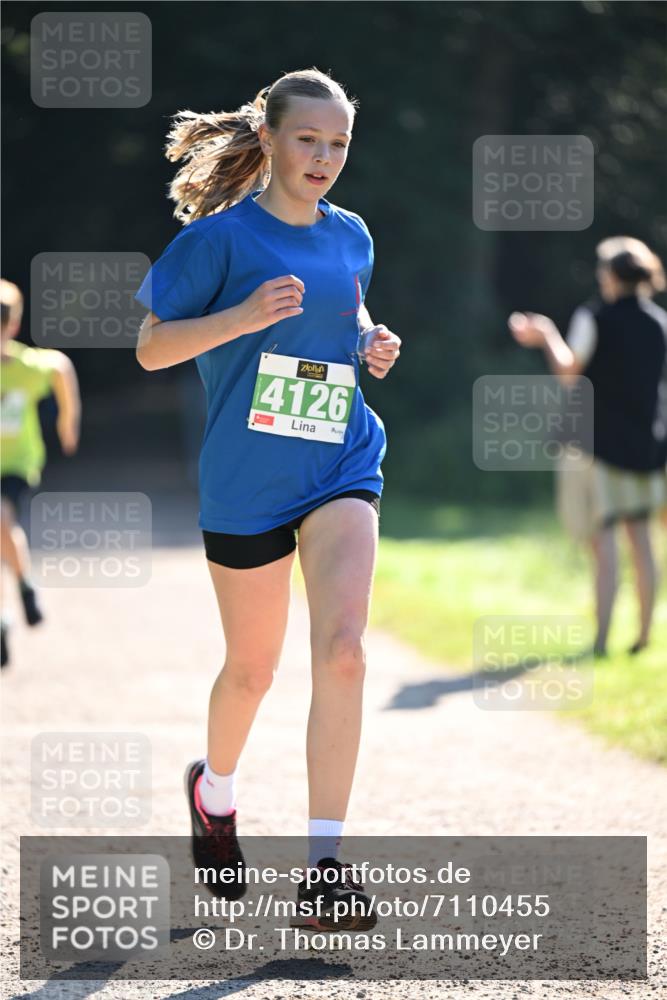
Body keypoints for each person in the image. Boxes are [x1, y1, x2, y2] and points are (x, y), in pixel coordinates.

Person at [134, 68, 401, 929]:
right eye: (308, 140)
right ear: (271, 137)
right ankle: (215, 794)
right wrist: (242, 318)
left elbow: (346, 309)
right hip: (248, 480)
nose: (324, 158)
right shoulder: (218, 242)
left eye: (339, 144)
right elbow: (150, 350)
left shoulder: (351, 234)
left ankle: (324, 869)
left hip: (339, 459)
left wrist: (370, 341)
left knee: (347, 650)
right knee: (251, 671)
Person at [508, 237, 667, 657]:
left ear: (612, 276)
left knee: (604, 539)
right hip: (646, 447)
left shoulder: (594, 316)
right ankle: (645, 635)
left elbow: (569, 373)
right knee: (642, 540)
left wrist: (545, 335)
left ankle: (600, 640)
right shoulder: (658, 322)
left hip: (596, 444)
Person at [0, 279, 81, 668]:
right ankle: (6, 614)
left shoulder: (27, 366)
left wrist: (68, 419)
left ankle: (24, 584)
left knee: (1, 516)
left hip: (14, 465)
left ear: (12, 327)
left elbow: (61, 367)